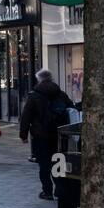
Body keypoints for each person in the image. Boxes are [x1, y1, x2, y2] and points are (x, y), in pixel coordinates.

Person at [19, 68, 74, 200]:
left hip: (40, 135)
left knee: (44, 164)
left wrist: (23, 134)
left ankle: (47, 191)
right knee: (58, 161)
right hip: (59, 134)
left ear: (39, 79)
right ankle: (60, 189)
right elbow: (71, 109)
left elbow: (26, 116)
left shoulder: (34, 96)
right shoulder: (61, 94)